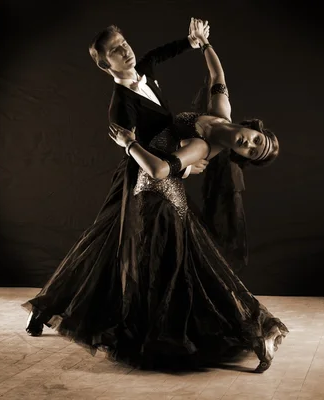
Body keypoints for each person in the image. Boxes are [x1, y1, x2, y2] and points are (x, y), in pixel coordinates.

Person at [106, 19, 287, 373]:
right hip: (148, 188)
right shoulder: (221, 112)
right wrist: (202, 44)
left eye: (251, 152)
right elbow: (218, 73)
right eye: (255, 140)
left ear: (242, 157)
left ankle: (256, 332)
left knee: (180, 276)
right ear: (253, 128)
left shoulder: (206, 143)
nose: (247, 144)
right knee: (167, 272)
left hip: (160, 200)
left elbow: (160, 170)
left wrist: (130, 145)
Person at [23, 19, 210, 336]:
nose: (125, 51)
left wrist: (192, 42)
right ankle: (49, 308)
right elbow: (136, 153)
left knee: (108, 246)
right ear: (104, 64)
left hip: (161, 173)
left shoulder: (144, 68)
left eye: (124, 43)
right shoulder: (121, 106)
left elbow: (160, 53)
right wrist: (185, 167)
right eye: (115, 50)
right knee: (108, 246)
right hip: (139, 181)